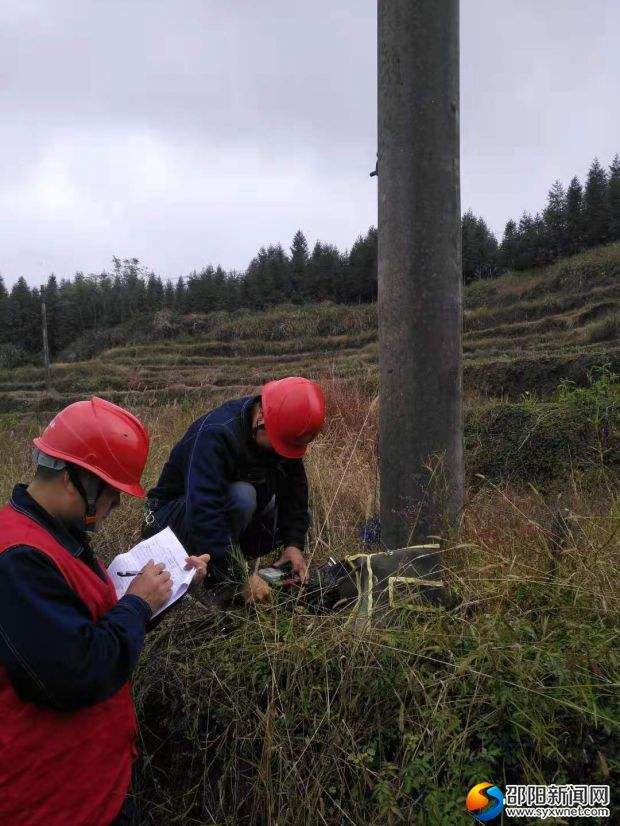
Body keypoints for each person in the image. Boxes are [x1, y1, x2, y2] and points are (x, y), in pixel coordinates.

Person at [0, 397, 209, 826]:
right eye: (112, 493)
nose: (113, 506)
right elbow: (78, 671)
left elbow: (91, 627)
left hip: (94, 784)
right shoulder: (18, 559)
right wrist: (137, 602)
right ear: (76, 480)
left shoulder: (53, 537)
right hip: (54, 803)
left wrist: (167, 591)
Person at [143, 376, 326, 602]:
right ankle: (217, 584)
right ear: (262, 417)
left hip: (219, 518)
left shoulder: (281, 432)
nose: (282, 453)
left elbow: (295, 492)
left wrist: (293, 544)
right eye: (280, 445)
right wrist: (238, 577)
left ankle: (225, 563)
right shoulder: (217, 435)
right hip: (170, 522)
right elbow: (203, 511)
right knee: (243, 496)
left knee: (296, 517)